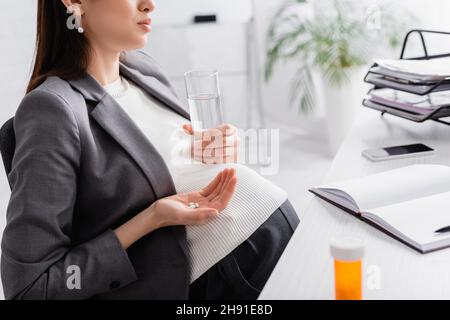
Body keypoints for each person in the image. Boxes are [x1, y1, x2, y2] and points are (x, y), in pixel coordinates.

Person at [0, 0, 300, 300]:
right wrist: (152, 218)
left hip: (278, 245)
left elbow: (159, 169)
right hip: (229, 279)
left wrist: (212, 149)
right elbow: (30, 288)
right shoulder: (53, 109)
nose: (149, 4)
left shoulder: (141, 70)